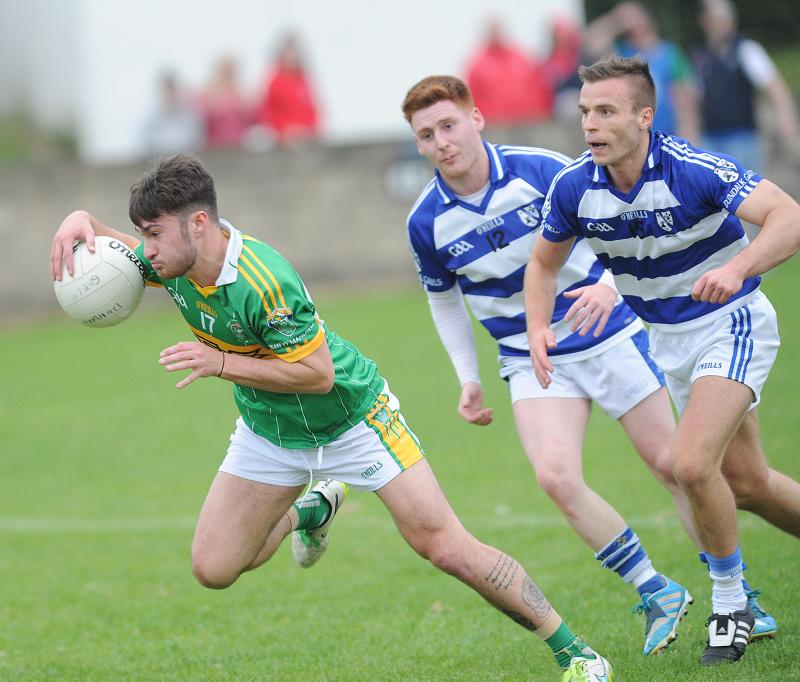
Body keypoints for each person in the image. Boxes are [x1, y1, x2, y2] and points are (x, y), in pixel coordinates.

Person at [49, 154, 612, 681]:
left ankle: (574, 650)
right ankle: (311, 511)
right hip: (270, 431)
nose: (145, 249)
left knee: (445, 547)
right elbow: (125, 257)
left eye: (152, 234)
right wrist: (86, 221)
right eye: (143, 234)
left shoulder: (262, 281)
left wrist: (220, 362)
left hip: (353, 422)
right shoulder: (172, 260)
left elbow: (318, 375)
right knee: (214, 566)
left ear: (198, 224)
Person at [403, 73, 701, 658]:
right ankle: (655, 590)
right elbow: (443, 301)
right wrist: (468, 377)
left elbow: (623, 224)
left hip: (606, 331)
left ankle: (733, 589)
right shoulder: (425, 221)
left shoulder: (542, 170)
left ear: (476, 119)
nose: (440, 141)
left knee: (674, 466)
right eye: (425, 135)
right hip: (528, 355)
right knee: (555, 476)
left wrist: (612, 287)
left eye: (448, 125)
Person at [525, 55, 800, 666]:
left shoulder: (691, 169)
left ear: (644, 117)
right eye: (584, 113)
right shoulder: (574, 187)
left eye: (606, 111)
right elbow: (543, 263)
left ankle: (732, 605)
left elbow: (789, 217)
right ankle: (736, 595)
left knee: (690, 462)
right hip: (669, 342)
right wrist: (538, 328)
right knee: (748, 483)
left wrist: (735, 267)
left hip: (732, 325)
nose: (590, 124)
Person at [693, 0, 799, 174]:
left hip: (742, 137)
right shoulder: (701, 56)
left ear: (731, 21)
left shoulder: (747, 50)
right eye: (712, 18)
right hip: (710, 138)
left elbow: (775, 86)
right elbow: (696, 96)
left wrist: (786, 118)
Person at [585, 2, 699, 141]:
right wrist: (615, 20)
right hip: (634, 135)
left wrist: (689, 134)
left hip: (668, 133)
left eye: (637, 17)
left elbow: (686, 96)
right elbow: (592, 43)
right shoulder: (624, 55)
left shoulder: (670, 54)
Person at [465, 17, 552, 128]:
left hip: (527, 122)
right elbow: (472, 97)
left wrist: (540, 112)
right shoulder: (478, 64)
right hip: (496, 126)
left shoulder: (521, 58)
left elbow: (538, 86)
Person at [256, 33, 320, 146]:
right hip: (284, 140)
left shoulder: (304, 80)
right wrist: (282, 131)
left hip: (306, 137)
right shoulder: (274, 81)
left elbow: (312, 110)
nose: (293, 55)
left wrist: (309, 130)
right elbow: (268, 112)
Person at [142, 71, 203, 156]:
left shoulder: (191, 115)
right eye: (167, 91)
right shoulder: (150, 118)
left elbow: (196, 141)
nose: (171, 95)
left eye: (173, 91)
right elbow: (147, 145)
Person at [198, 56, 252, 149]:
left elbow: (250, 116)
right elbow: (204, 117)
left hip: (238, 145)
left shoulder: (241, 92)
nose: (229, 73)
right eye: (226, 70)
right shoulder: (208, 91)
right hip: (215, 146)